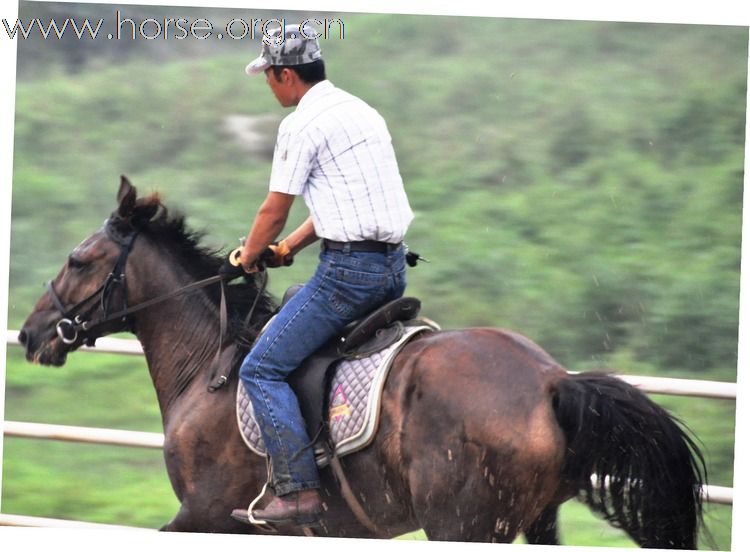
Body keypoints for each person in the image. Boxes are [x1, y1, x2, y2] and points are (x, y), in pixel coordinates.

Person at [229, 23, 414, 527]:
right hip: (391, 270)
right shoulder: (362, 111)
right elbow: (345, 201)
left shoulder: (301, 125)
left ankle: (297, 489)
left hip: (347, 277)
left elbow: (273, 209)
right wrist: (288, 248)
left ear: (286, 74)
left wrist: (249, 255)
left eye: (269, 76)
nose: (268, 85)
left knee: (260, 368)